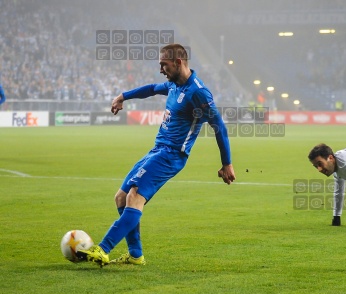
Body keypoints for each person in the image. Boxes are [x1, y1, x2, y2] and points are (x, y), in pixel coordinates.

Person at [79, 44, 236, 266]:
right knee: (121, 198)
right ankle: (135, 255)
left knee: (134, 197)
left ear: (178, 63)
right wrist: (123, 96)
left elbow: (218, 125)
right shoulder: (174, 85)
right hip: (157, 150)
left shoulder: (197, 92)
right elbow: (152, 88)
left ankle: (102, 249)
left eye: (164, 64)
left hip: (172, 155)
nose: (161, 69)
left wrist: (226, 163)